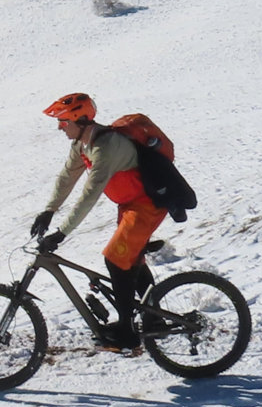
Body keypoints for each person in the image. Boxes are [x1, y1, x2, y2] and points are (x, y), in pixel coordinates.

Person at [28, 92, 164, 351]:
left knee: (114, 258)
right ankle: (153, 318)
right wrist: (48, 210)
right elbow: (67, 178)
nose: (60, 128)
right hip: (129, 205)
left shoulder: (105, 147)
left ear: (79, 121)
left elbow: (90, 194)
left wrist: (62, 233)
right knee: (130, 259)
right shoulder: (83, 144)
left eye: (64, 122)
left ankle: (127, 331)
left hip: (147, 204)